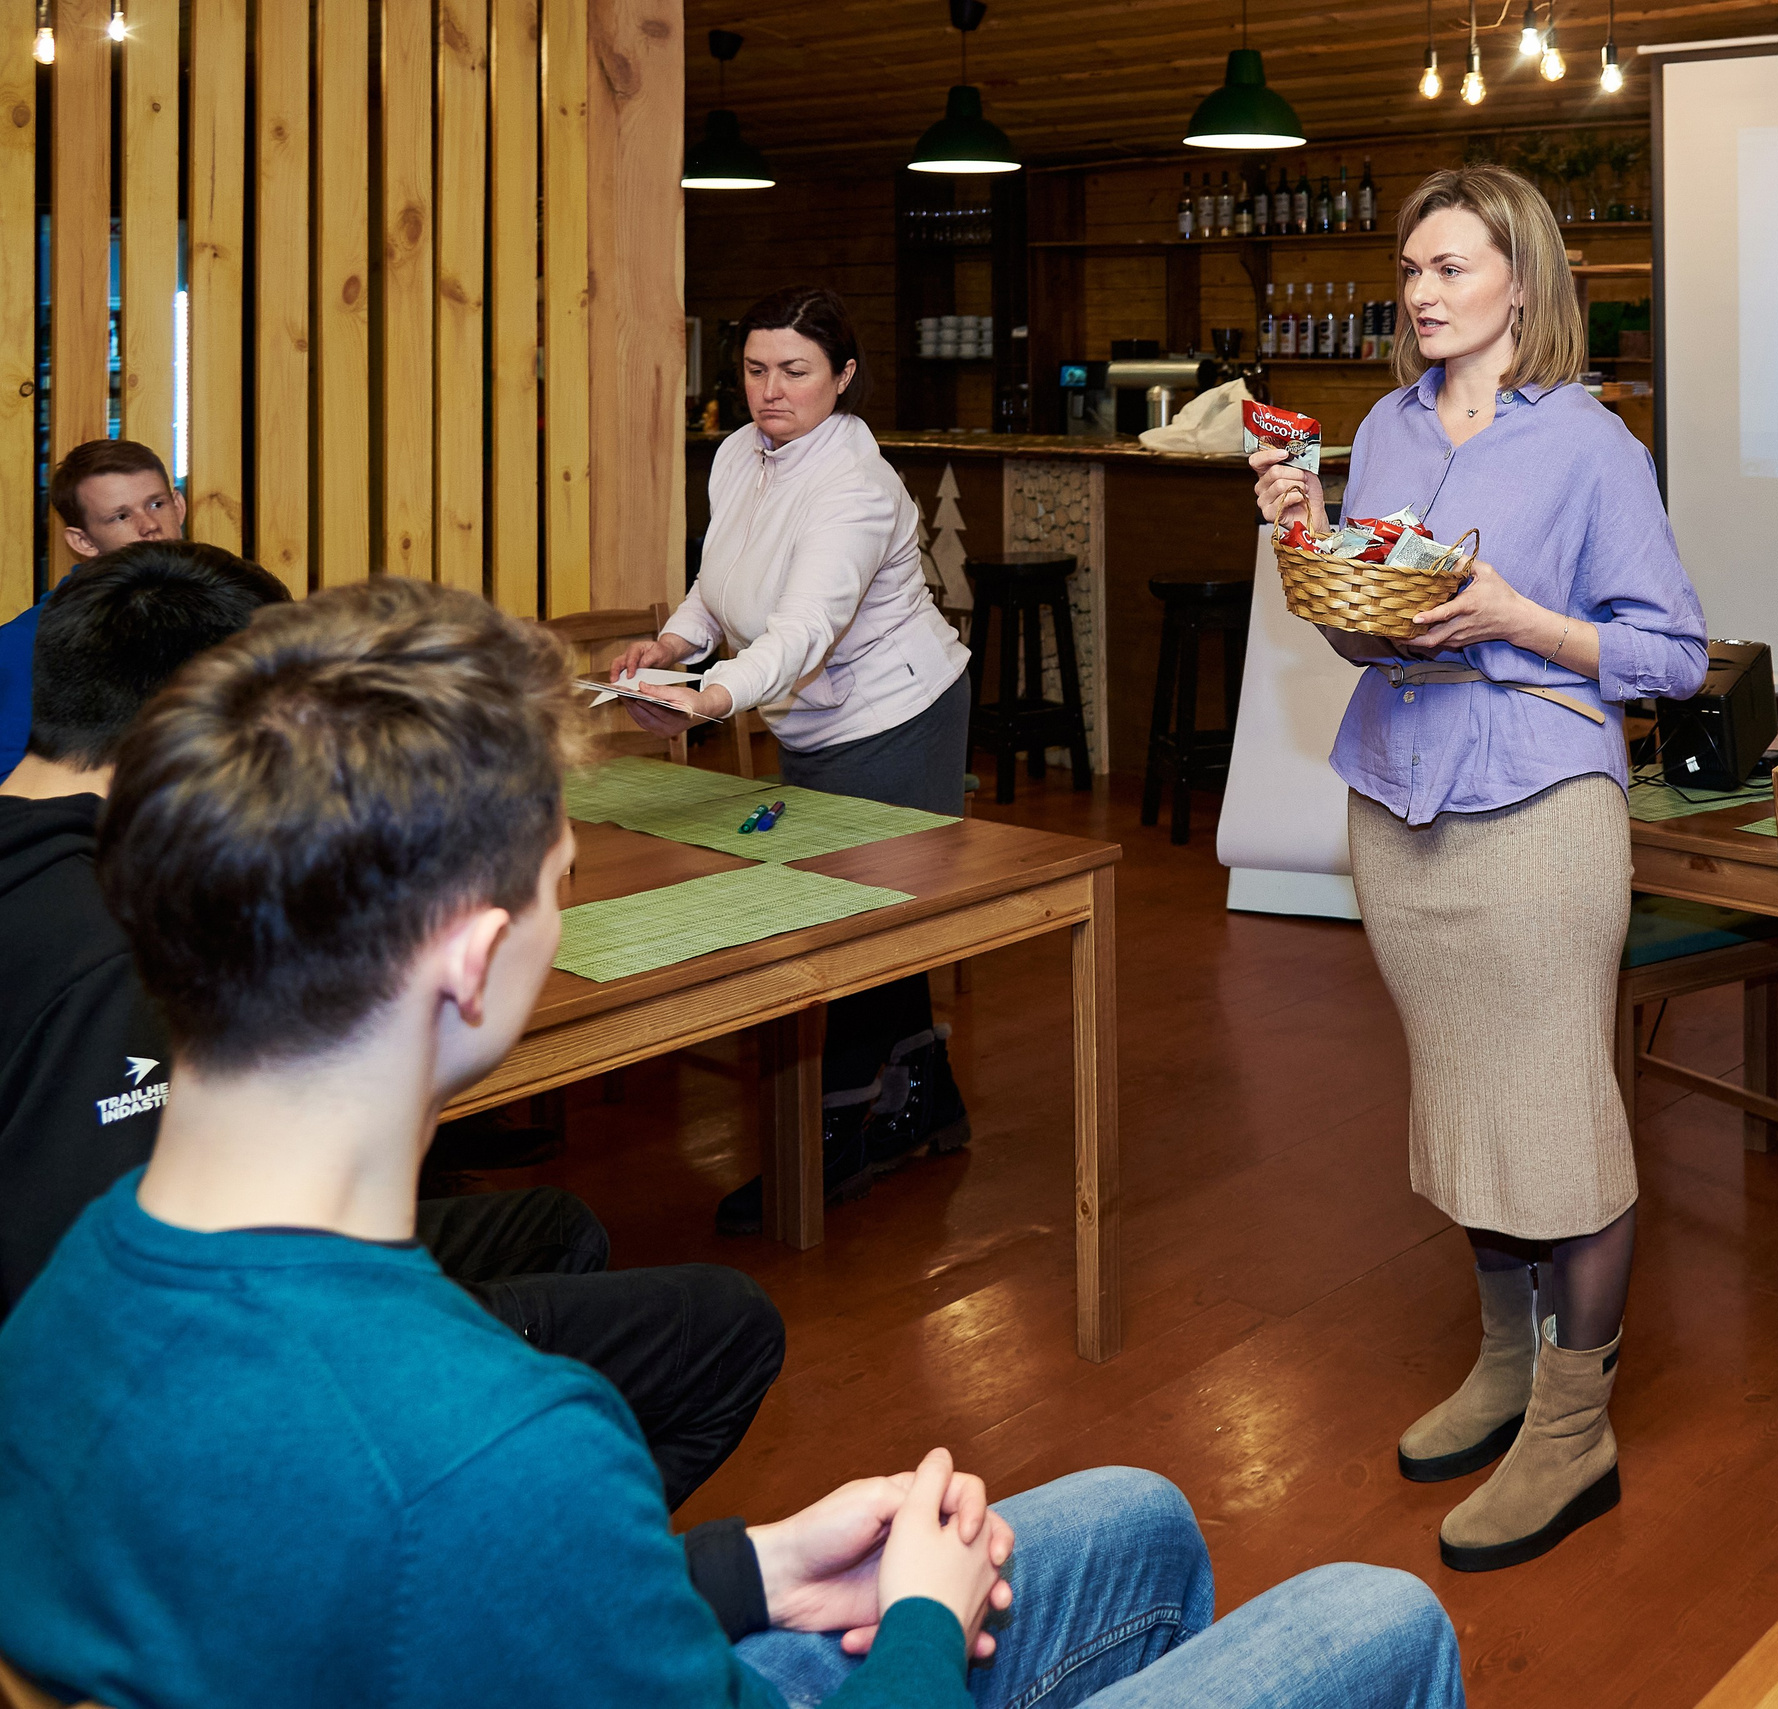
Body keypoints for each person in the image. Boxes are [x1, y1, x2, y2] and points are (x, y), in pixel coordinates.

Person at [0, 575, 1467, 1709]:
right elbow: (474, 1537)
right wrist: (916, 1622)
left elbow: (428, 1611)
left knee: (1137, 1516)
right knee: (1377, 1619)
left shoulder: (68, 1297)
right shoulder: (503, 1446)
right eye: (559, 880)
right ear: (472, 954)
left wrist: (750, 1567)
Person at [0, 543, 782, 1508]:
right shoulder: (117, 946)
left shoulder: (89, 870)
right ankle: (513, 1567)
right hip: (209, 1379)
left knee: (561, 1224)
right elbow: (119, 1336)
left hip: (207, 1301)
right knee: (730, 1324)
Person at [1251, 165, 1708, 1573]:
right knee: (1463, 1103)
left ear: (1524, 279)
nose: (1423, 292)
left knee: (1558, 1115)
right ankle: (1508, 1366)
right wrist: (1301, 545)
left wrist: (1518, 616)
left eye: (1452, 267)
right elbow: (1365, 627)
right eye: (1412, 270)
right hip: (1398, 805)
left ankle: (1576, 1431)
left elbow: (1674, 655)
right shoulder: (1383, 431)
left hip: (1539, 811)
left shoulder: (1590, 445)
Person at [604, 285, 975, 1237]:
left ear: (844, 378)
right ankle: (927, 1102)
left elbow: (807, 627)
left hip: (897, 714)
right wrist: (671, 648)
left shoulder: (856, 484)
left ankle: (832, 1140)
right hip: (814, 718)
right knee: (865, 910)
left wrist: (716, 697)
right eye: (756, 370)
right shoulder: (737, 454)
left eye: (796, 372)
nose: (772, 392)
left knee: (851, 922)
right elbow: (719, 584)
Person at [0, 439, 189, 776]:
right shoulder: (25, 642)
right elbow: (10, 786)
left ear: (179, 506)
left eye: (157, 504)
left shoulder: (230, 613)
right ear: (83, 541)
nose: (149, 526)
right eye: (120, 516)